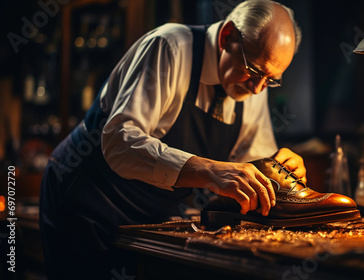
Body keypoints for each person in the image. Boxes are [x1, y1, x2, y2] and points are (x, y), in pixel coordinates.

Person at [39, 0, 303, 279]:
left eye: (271, 80)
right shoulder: (170, 47)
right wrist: (210, 171)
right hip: (88, 198)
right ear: (227, 36)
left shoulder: (253, 85)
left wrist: (277, 172)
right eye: (255, 71)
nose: (258, 87)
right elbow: (119, 140)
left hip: (149, 220)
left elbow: (250, 162)